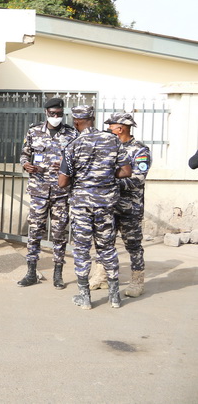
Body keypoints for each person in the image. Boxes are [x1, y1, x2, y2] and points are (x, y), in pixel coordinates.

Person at [59, 105, 132, 310]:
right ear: (93, 118)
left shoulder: (72, 145)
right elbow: (126, 171)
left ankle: (85, 297)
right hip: (105, 204)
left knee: (82, 249)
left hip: (82, 205)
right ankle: (115, 297)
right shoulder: (112, 140)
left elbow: (63, 182)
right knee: (107, 248)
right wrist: (106, 175)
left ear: (76, 122)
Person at [87, 112, 151, 297]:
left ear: (120, 128)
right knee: (103, 241)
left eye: (111, 126)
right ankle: (101, 276)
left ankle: (137, 281)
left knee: (133, 245)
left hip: (130, 207)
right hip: (107, 205)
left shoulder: (140, 151)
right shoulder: (108, 148)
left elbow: (138, 179)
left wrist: (108, 181)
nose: (108, 129)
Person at [17, 98, 78, 288]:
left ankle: (58, 274)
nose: (56, 117)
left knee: (59, 233)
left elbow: (78, 160)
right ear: (46, 112)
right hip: (38, 190)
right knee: (35, 231)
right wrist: (25, 165)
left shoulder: (72, 133)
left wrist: (66, 166)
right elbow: (24, 154)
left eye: (59, 114)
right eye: (52, 114)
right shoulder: (34, 131)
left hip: (61, 192)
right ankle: (31, 272)